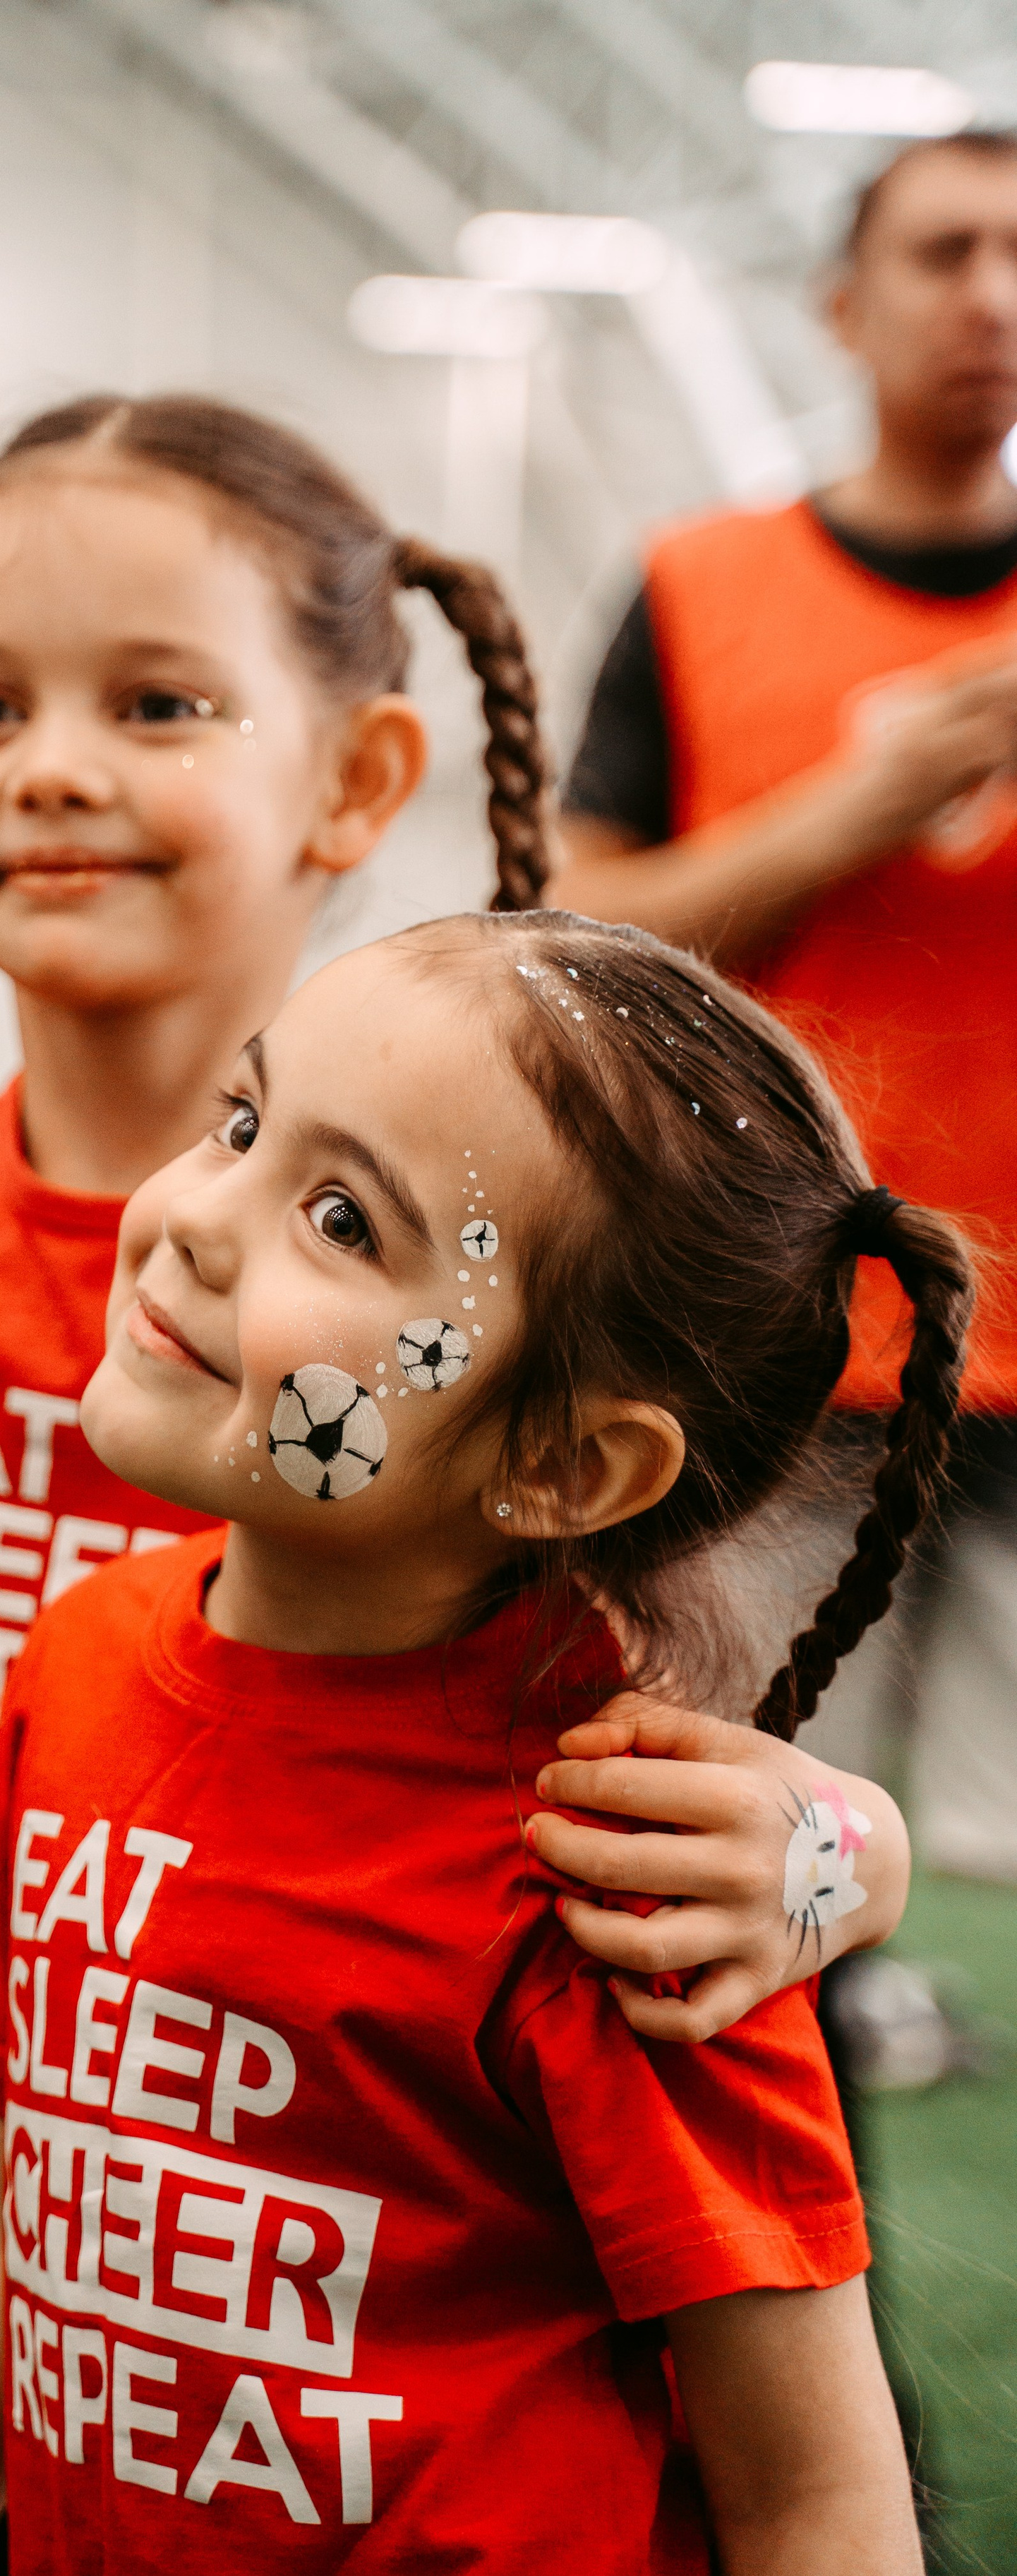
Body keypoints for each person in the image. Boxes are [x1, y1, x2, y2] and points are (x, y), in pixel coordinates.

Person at [0, 393, 917, 2576]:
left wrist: (853, 1845)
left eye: (156, 700)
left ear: (357, 778)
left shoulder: (514, 1323)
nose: (56, 763)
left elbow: (801, 2437)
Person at [0, 904, 953, 2576]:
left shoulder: (622, 1869)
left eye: (340, 1217)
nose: (189, 1217)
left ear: (561, 1466)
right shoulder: (81, 1660)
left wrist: (860, 1844)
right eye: (242, 1123)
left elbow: (806, 2483)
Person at [553, 130, 1017, 1881]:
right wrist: (859, 808)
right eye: (942, 249)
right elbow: (576, 927)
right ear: (838, 304)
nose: (988, 294)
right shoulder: (697, 585)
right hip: (783, 1334)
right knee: (741, 1861)